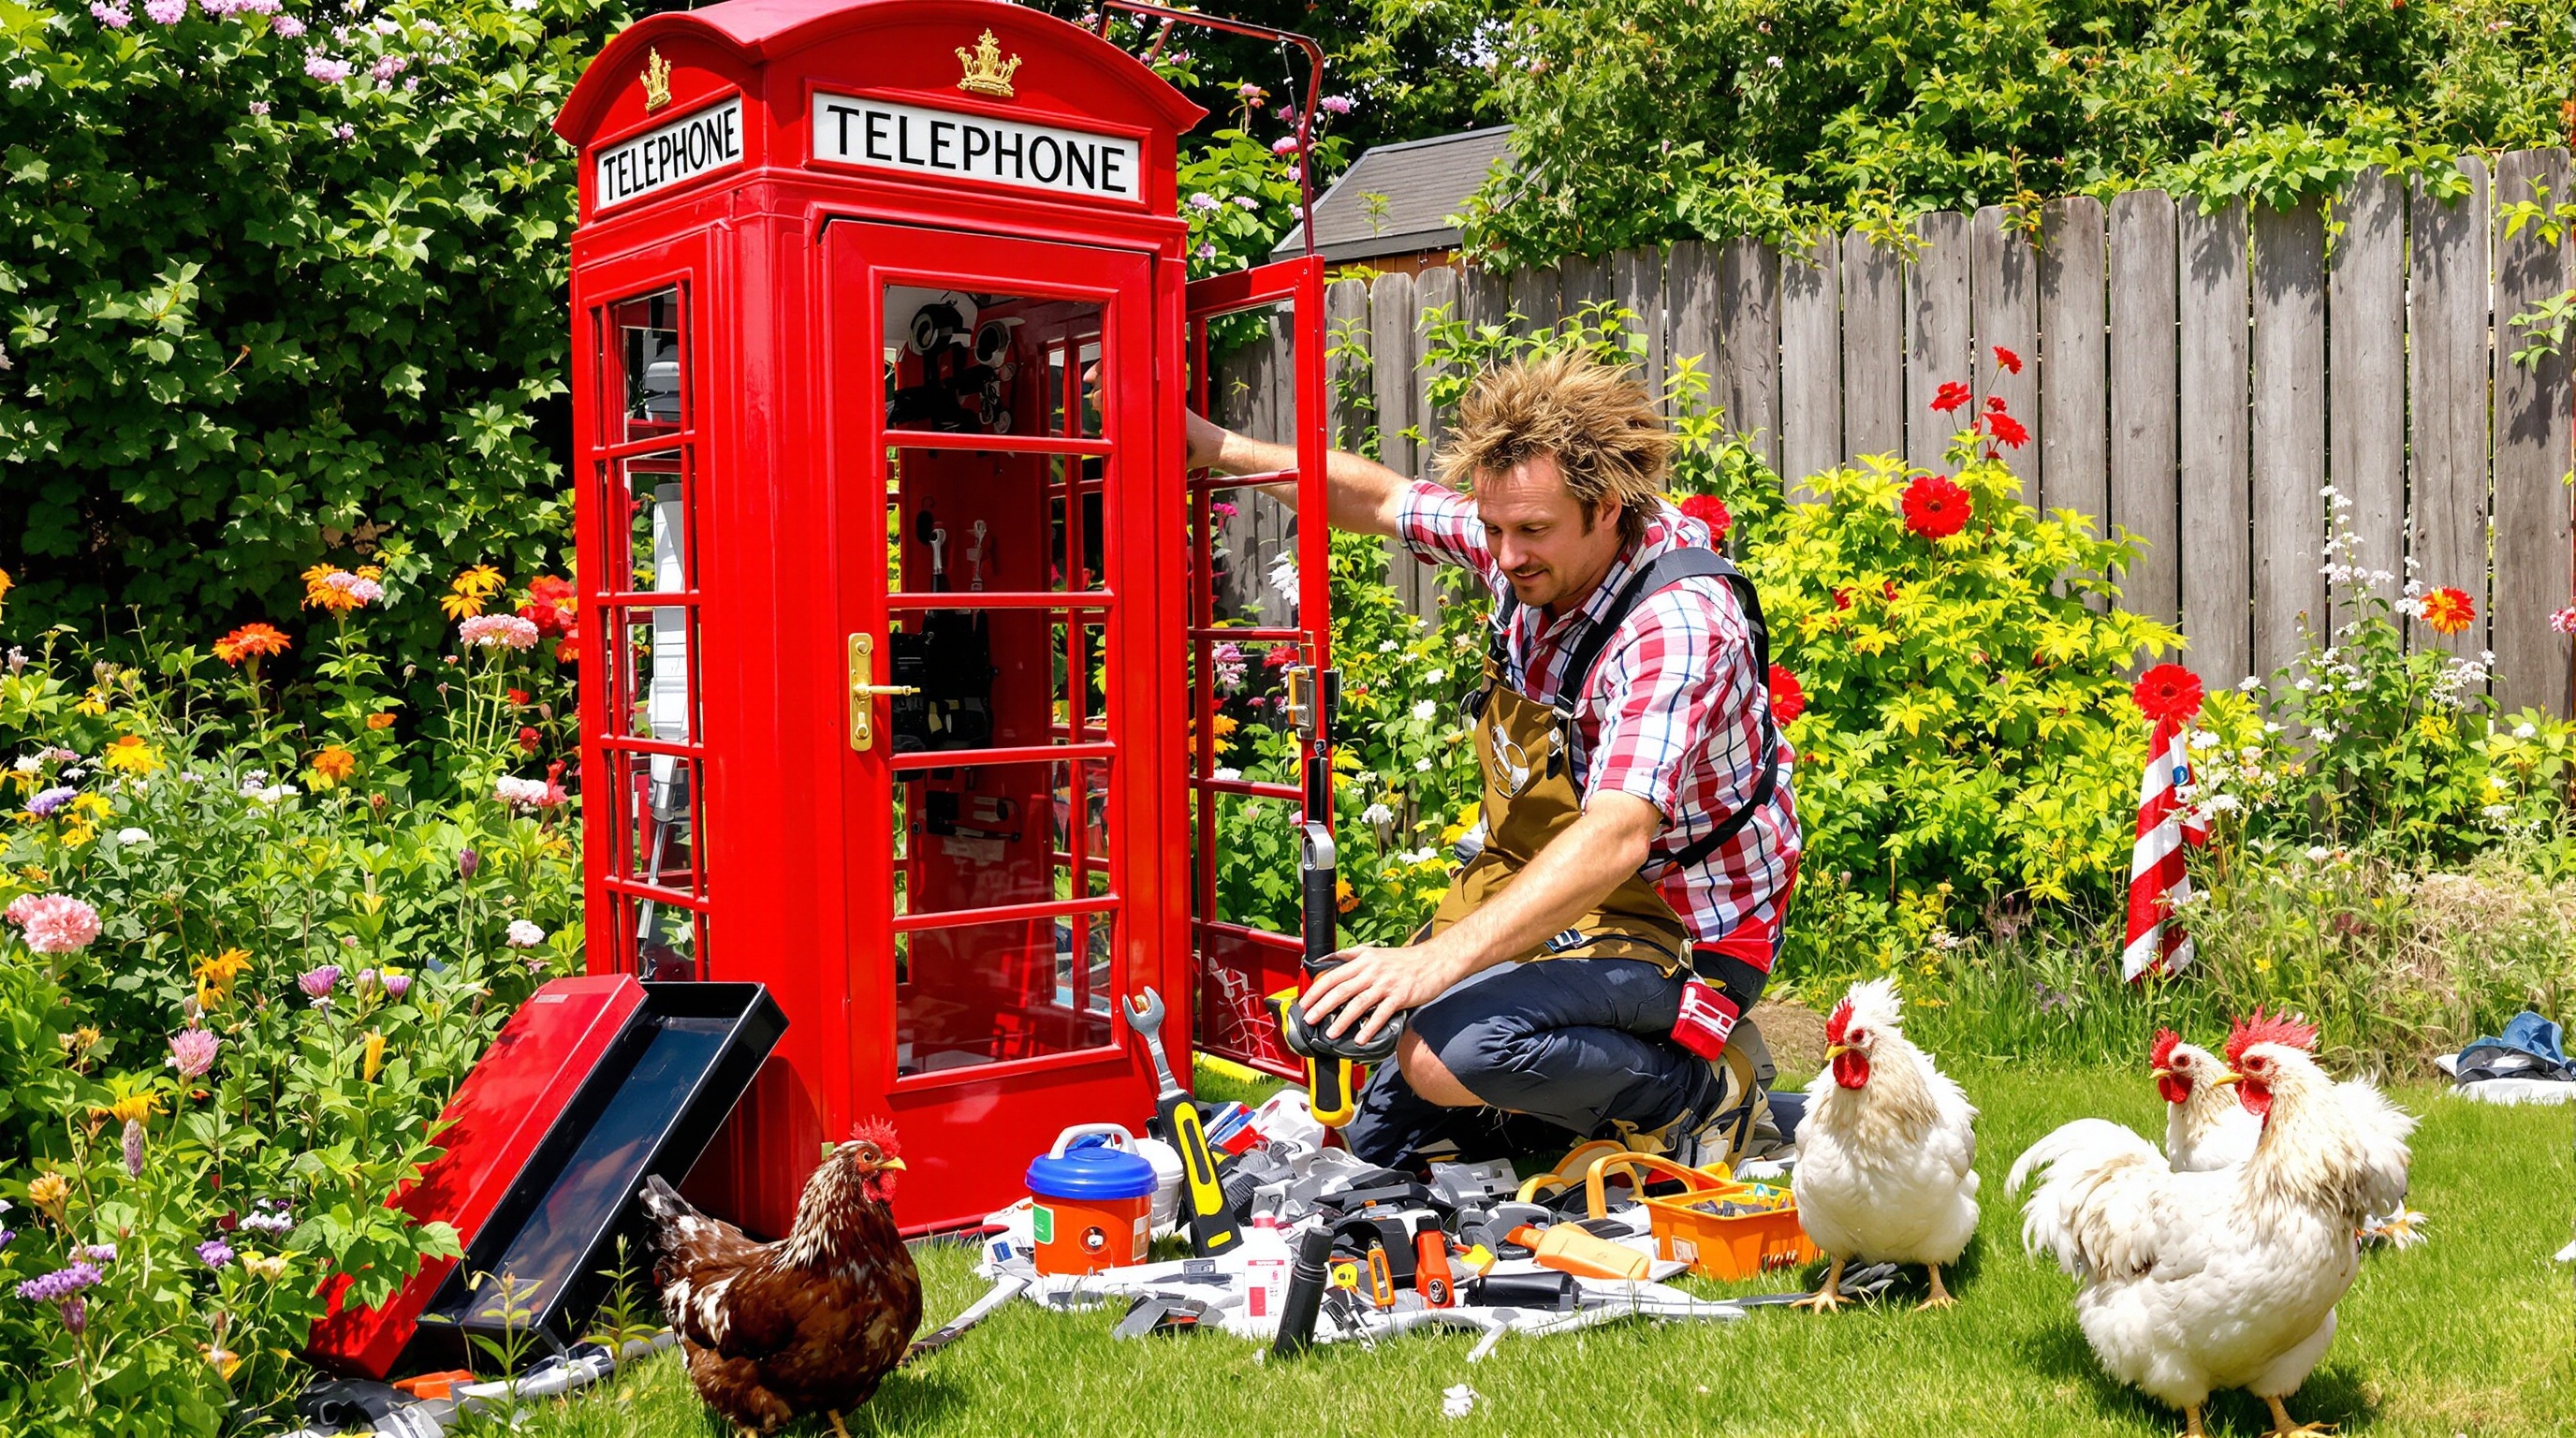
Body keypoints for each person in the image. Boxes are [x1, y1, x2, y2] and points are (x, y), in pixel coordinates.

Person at [1186, 349, 1801, 1170]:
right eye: (1493, 529)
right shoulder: (1531, 538)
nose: (1505, 557)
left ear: (1607, 508)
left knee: (1453, 1053)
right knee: (1381, 1145)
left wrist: (1433, 964)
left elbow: (1618, 834)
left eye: (1531, 532)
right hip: (1559, 893)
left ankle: (1705, 1093)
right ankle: (1572, 1110)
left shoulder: (1675, 626)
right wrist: (1215, 447)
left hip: (1681, 926)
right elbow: (1383, 499)